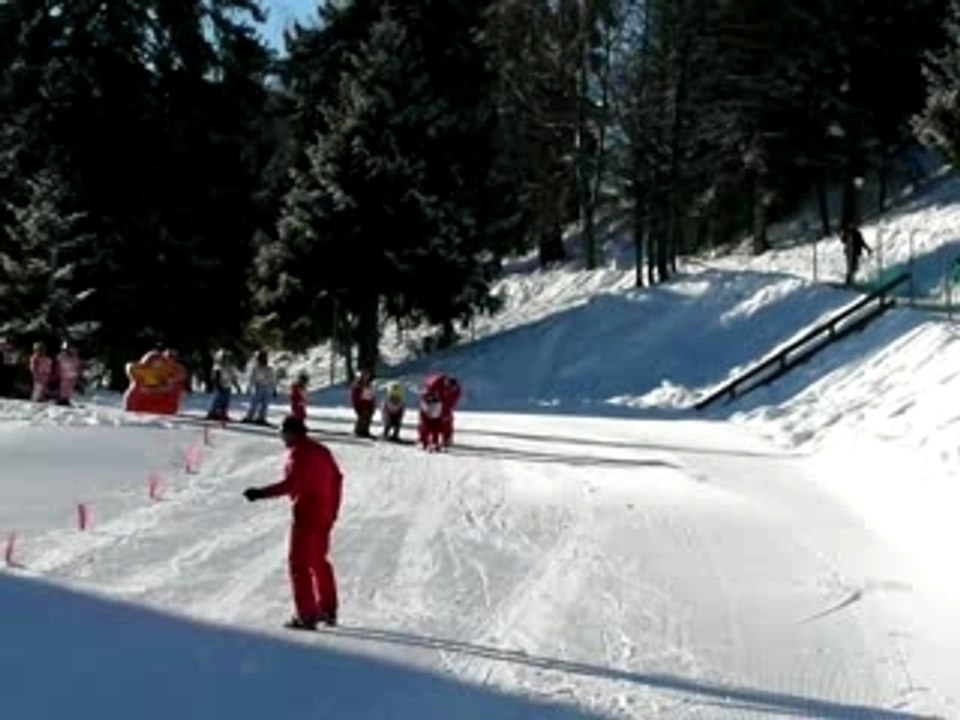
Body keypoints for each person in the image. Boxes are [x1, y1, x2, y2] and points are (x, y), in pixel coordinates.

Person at [242, 415, 343, 630]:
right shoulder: (321, 450)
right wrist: (333, 510)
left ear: (293, 433)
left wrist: (261, 493)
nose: (282, 437)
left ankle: (307, 614)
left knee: (299, 564)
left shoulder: (300, 453)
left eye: (283, 433)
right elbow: (338, 478)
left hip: (307, 514)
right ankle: (328, 608)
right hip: (325, 513)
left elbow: (292, 484)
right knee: (318, 560)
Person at [243, 350, 276, 425]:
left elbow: (272, 379)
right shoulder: (256, 368)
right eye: (263, 357)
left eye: (265, 357)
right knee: (254, 402)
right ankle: (249, 417)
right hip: (258, 386)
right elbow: (252, 378)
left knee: (265, 403)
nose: (264, 359)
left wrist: (274, 389)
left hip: (266, 387)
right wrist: (249, 387)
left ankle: (261, 418)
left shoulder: (269, 368)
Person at [350, 369, 376, 438]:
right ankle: (358, 430)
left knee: (368, 417)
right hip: (360, 404)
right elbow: (355, 396)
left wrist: (373, 405)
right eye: (365, 376)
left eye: (367, 376)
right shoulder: (358, 385)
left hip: (368, 404)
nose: (366, 378)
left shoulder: (369, 385)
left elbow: (371, 396)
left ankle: (365, 430)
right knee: (362, 416)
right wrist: (357, 404)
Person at [55, 341, 81, 406]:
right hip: (64, 374)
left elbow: (77, 366)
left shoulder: (75, 357)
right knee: (63, 387)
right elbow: (58, 363)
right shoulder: (62, 355)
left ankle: (66, 399)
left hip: (71, 375)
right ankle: (62, 399)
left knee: (69, 388)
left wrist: (77, 373)